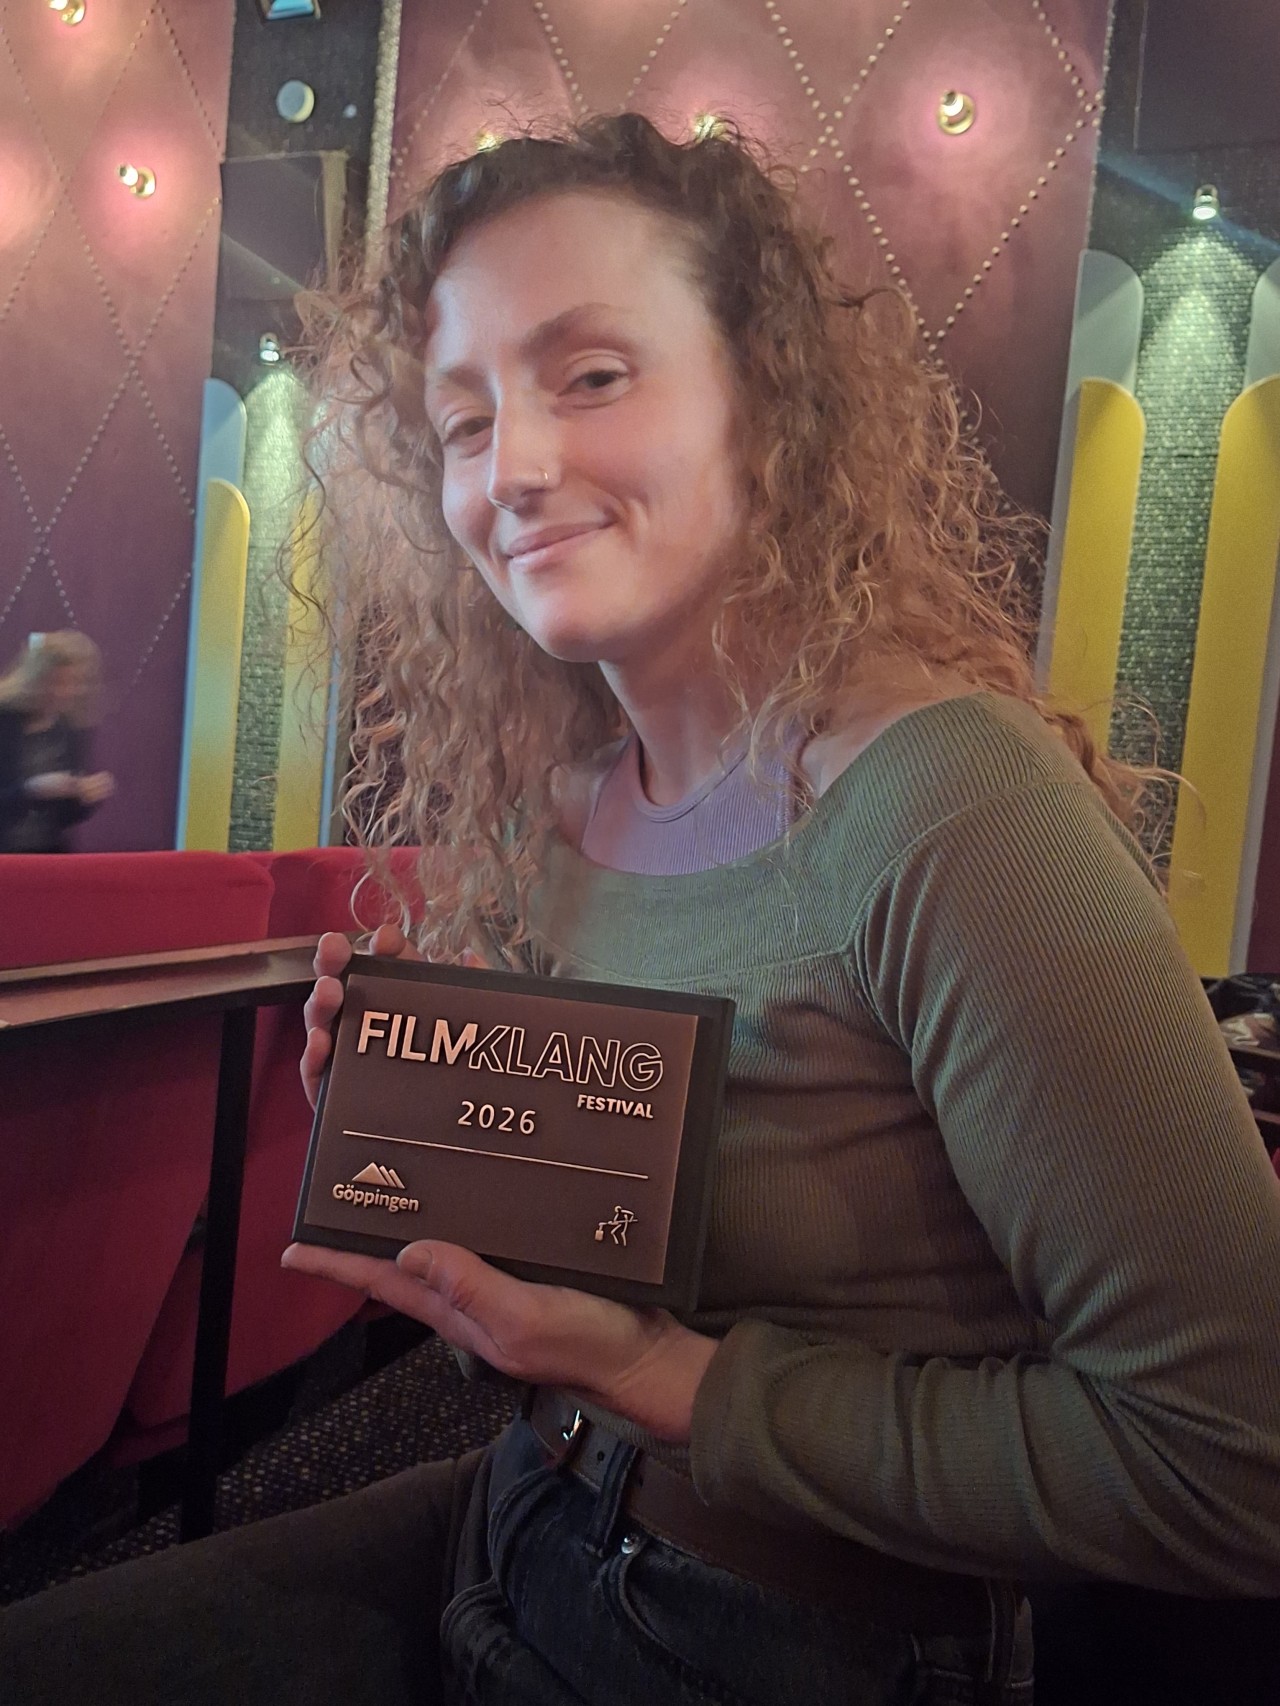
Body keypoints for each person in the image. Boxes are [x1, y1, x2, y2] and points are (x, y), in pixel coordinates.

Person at [3, 113, 1279, 1706]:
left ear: (766, 396)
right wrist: (420, 1174)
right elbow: (540, 1335)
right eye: (464, 421)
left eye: (592, 374)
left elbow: (1236, 1459)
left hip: (797, 1634)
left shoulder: (953, 807)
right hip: (524, 1507)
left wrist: (678, 1381)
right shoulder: (560, 812)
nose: (514, 469)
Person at [0, 629, 113, 853]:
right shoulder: (5, 722)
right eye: (57, 682)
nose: (65, 692)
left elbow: (63, 818)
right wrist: (30, 790)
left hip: (47, 856)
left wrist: (83, 796)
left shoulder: (68, 730)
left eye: (74, 683)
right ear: (34, 679)